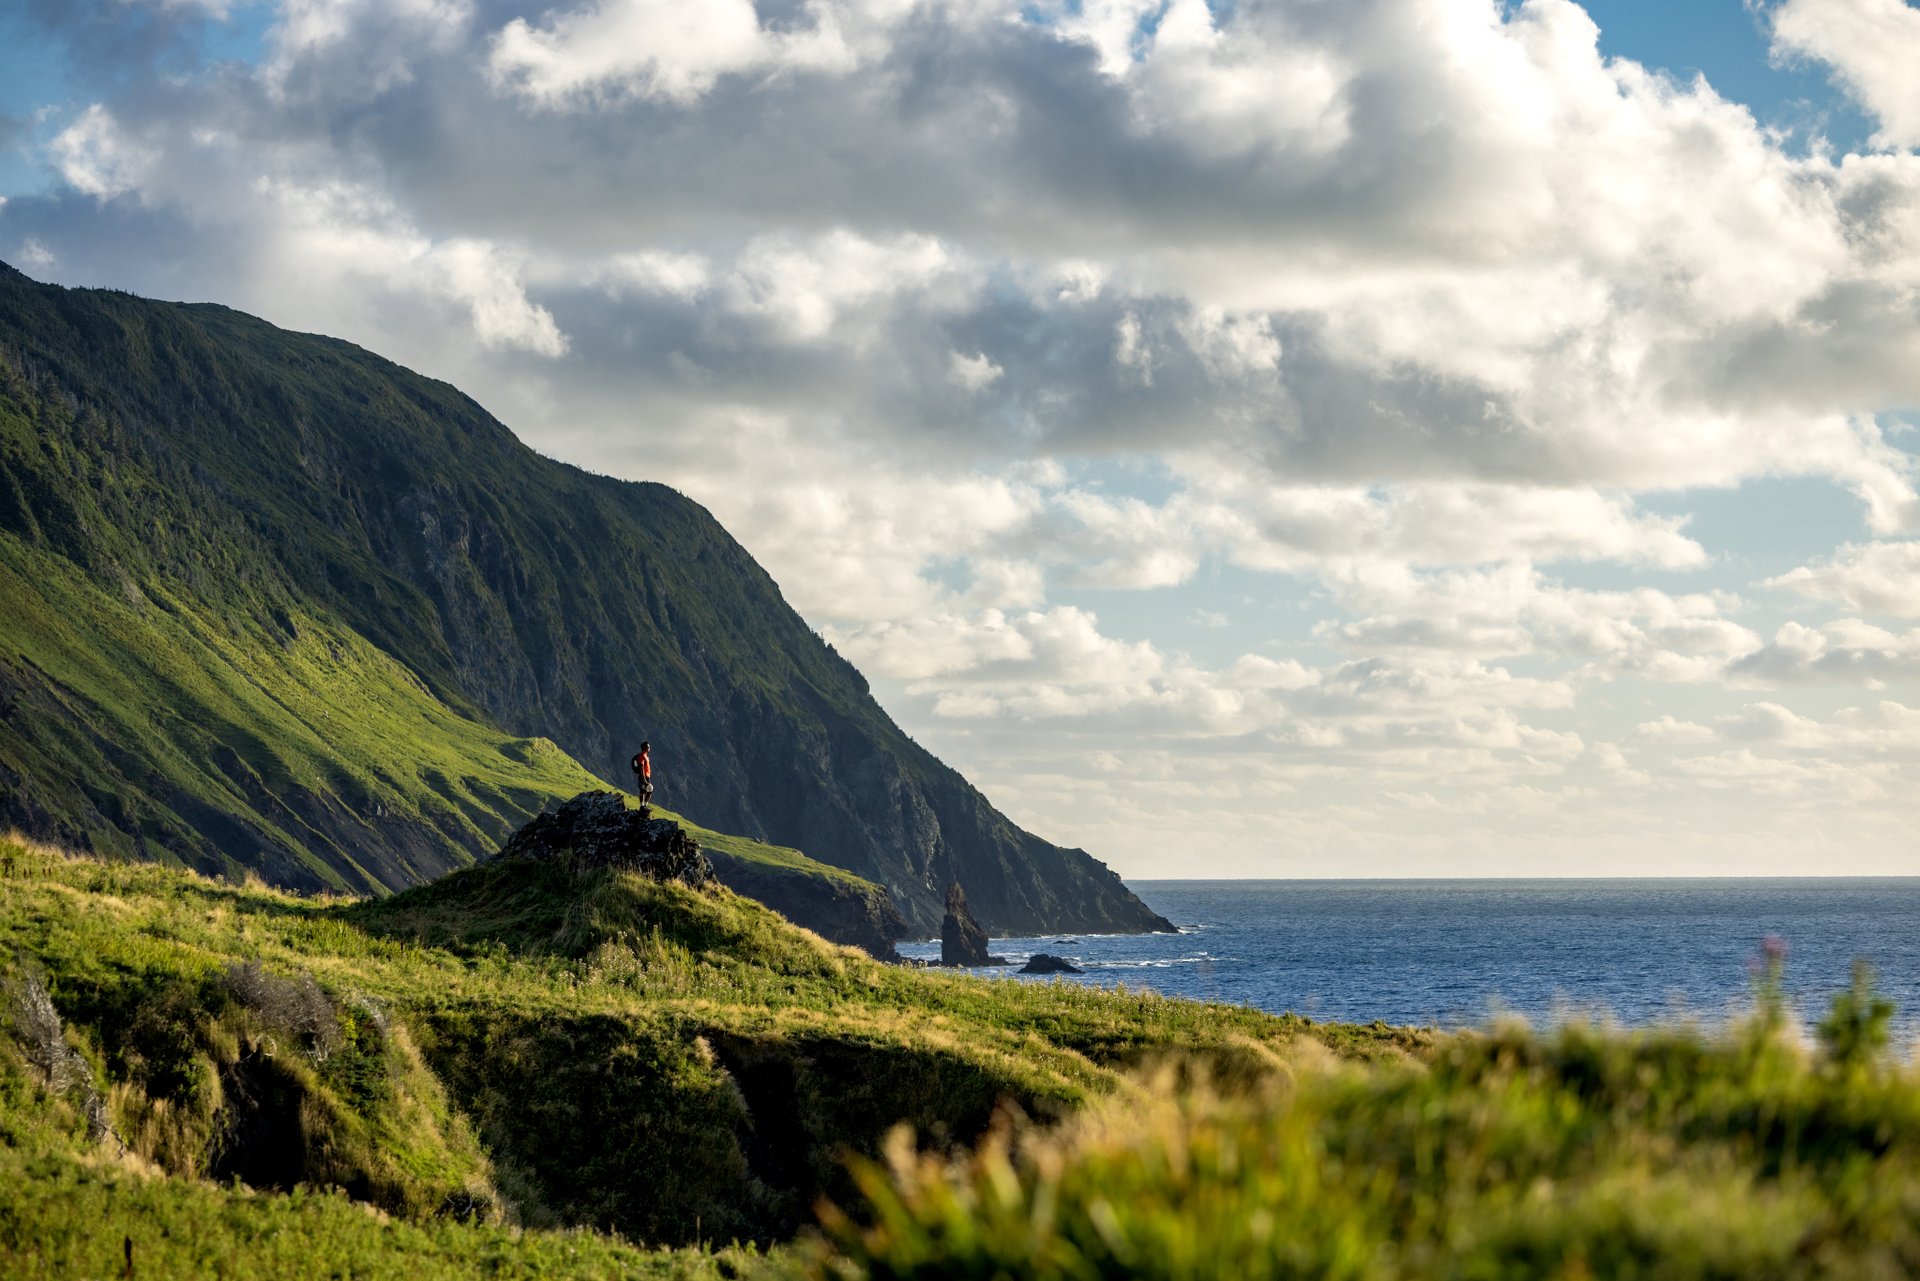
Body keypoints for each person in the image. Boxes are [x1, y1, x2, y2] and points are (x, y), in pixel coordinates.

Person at [631, 742, 654, 809]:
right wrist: (644, 779)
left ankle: (644, 805)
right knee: (644, 791)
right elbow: (641, 767)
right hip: (644, 777)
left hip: (646, 776)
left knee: (647, 790)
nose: (649, 748)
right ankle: (643, 805)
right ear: (644, 747)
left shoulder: (645, 756)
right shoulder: (642, 756)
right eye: (648, 747)